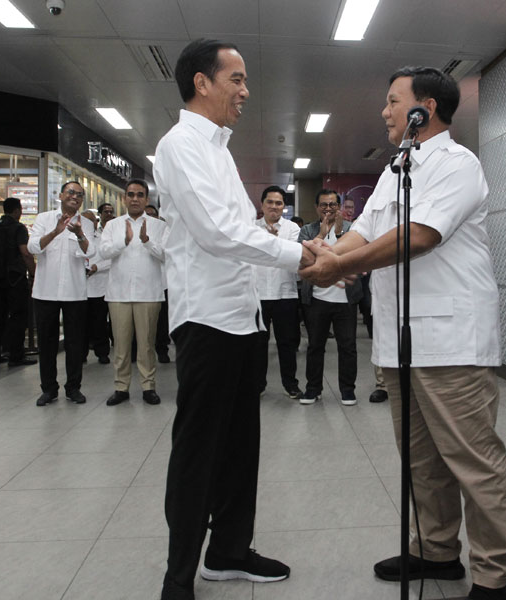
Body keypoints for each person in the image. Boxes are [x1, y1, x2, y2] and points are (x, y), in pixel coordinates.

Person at [299, 66, 506, 600]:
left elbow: (419, 236)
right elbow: (365, 233)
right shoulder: (398, 167)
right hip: (402, 343)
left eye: (393, 102)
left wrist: (338, 266)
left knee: (471, 459)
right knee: (420, 459)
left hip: (451, 340)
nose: (384, 111)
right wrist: (324, 256)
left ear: (426, 110)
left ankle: (494, 574)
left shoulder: (457, 164)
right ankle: (436, 550)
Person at [153, 38, 312, 600]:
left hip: (243, 322)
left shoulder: (218, 149)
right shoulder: (180, 145)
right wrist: (302, 254)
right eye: (237, 79)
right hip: (207, 324)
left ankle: (227, 552)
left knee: (242, 447)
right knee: (199, 452)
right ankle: (178, 579)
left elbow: (236, 234)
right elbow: (218, 232)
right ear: (202, 82)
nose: (245, 91)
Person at [99, 179, 167, 406]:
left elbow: (167, 256)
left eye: (140, 195)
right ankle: (121, 388)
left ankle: (148, 387)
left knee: (147, 344)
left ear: (147, 199)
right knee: (120, 344)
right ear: (124, 198)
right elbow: (104, 252)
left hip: (149, 293)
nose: (135, 199)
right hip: (118, 294)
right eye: (131, 194)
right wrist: (124, 241)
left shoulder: (159, 226)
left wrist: (147, 242)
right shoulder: (113, 225)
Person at [28, 181, 95, 406]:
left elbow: (92, 251)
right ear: (61, 195)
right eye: (71, 192)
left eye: (80, 194)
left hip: (75, 292)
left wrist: (79, 235)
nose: (75, 197)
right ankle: (48, 389)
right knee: (46, 343)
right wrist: (56, 232)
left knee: (75, 344)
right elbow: (33, 247)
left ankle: (73, 388)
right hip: (45, 291)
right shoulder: (44, 219)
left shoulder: (86, 222)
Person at [298, 189, 362, 406]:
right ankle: (312, 389)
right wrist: (321, 234)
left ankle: (347, 390)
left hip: (346, 299)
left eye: (332, 205)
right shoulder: (308, 230)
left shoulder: (353, 230)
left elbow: (357, 257)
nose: (328, 209)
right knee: (315, 346)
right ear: (317, 208)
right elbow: (304, 260)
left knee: (348, 346)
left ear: (339, 207)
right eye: (323, 205)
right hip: (317, 299)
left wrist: (339, 233)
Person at [252, 185, 303, 399]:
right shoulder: (251, 228)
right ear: (262, 205)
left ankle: (290, 384)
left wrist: (274, 241)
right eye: (270, 202)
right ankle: (257, 385)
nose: (274, 206)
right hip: (258, 294)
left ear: (284, 206)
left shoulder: (292, 228)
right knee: (257, 345)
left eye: (279, 203)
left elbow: (293, 257)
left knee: (287, 343)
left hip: (285, 294)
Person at [0, 197, 36, 366]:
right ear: (16, 210)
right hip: (15, 279)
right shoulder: (18, 228)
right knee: (18, 316)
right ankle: (16, 355)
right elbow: (25, 253)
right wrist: (33, 273)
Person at [83, 202, 114, 365]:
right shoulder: (75, 238)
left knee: (100, 322)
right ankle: (81, 354)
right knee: (81, 324)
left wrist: (96, 267)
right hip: (80, 289)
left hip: (100, 287)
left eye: (91, 221)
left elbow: (111, 260)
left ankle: (102, 353)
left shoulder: (102, 238)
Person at [144, 204, 172, 363]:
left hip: (162, 283)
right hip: (142, 283)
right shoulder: (133, 228)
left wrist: (147, 242)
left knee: (162, 321)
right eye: (147, 215)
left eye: (153, 215)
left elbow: (164, 255)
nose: (150, 218)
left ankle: (162, 350)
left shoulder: (164, 229)